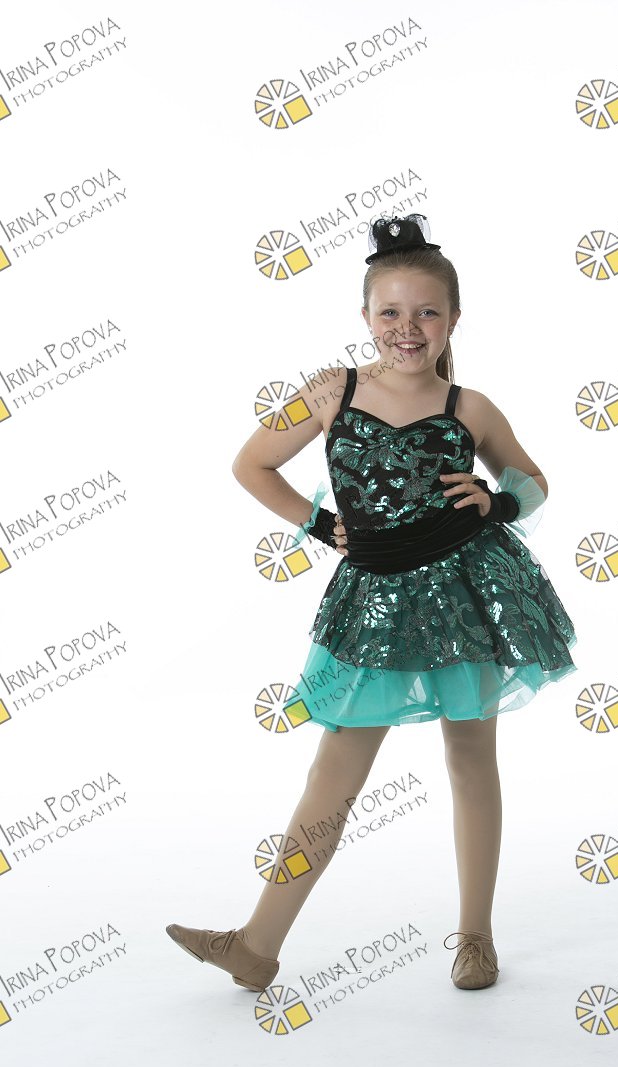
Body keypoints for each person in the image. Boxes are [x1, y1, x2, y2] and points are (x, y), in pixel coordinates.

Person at [166, 213, 578, 994]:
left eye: (426, 312)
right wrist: (321, 525)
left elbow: (532, 481)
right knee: (333, 773)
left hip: (461, 596)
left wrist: (496, 504)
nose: (407, 328)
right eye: (390, 312)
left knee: (470, 759)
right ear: (365, 317)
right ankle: (256, 945)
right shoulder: (333, 391)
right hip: (376, 604)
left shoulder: (470, 407)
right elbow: (252, 464)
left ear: (453, 319)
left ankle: (476, 938)